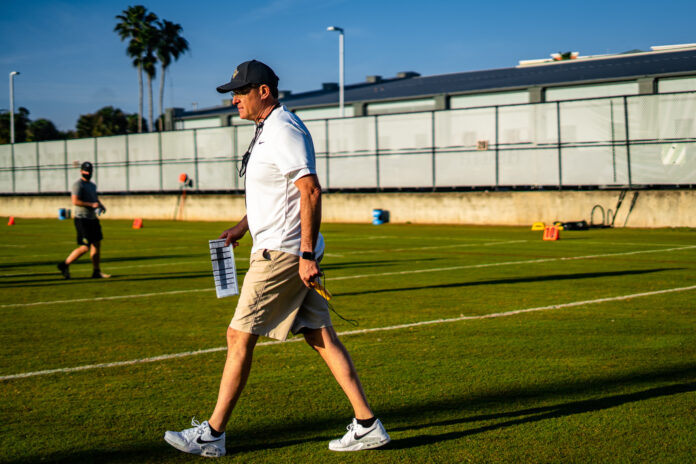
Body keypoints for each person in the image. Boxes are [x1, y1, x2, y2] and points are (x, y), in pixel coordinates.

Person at [164, 60, 390, 458]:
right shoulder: (268, 129)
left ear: (263, 91)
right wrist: (241, 227)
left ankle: (212, 435)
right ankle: (367, 423)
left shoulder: (283, 128)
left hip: (283, 254)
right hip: (281, 247)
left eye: (240, 92)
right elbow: (277, 195)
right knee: (321, 336)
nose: (233, 99)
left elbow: (310, 191)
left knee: (238, 336)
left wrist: (305, 255)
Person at [57, 161, 110, 279]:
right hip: (82, 219)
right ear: (81, 171)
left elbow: (95, 198)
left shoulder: (92, 185)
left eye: (89, 171)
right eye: (85, 171)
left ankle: (96, 271)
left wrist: (100, 205)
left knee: (96, 244)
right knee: (85, 247)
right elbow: (75, 201)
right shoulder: (78, 185)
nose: (88, 173)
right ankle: (64, 265)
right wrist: (91, 205)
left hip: (92, 219)